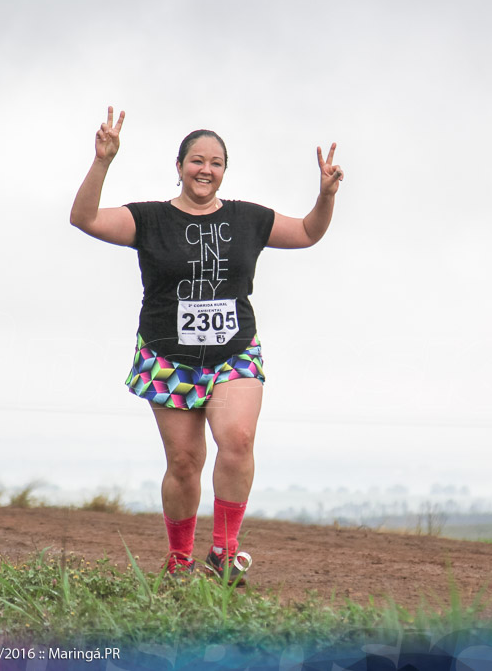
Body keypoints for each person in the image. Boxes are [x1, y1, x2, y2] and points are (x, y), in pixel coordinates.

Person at [69, 107, 343, 584]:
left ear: (224, 171)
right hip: (167, 355)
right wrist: (102, 161)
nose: (206, 170)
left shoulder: (248, 219)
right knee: (184, 462)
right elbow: (84, 217)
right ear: (179, 167)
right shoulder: (149, 220)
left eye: (216, 162)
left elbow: (307, 232)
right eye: (197, 160)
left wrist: (325, 195)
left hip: (234, 351)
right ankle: (179, 560)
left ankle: (224, 553)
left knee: (236, 441)